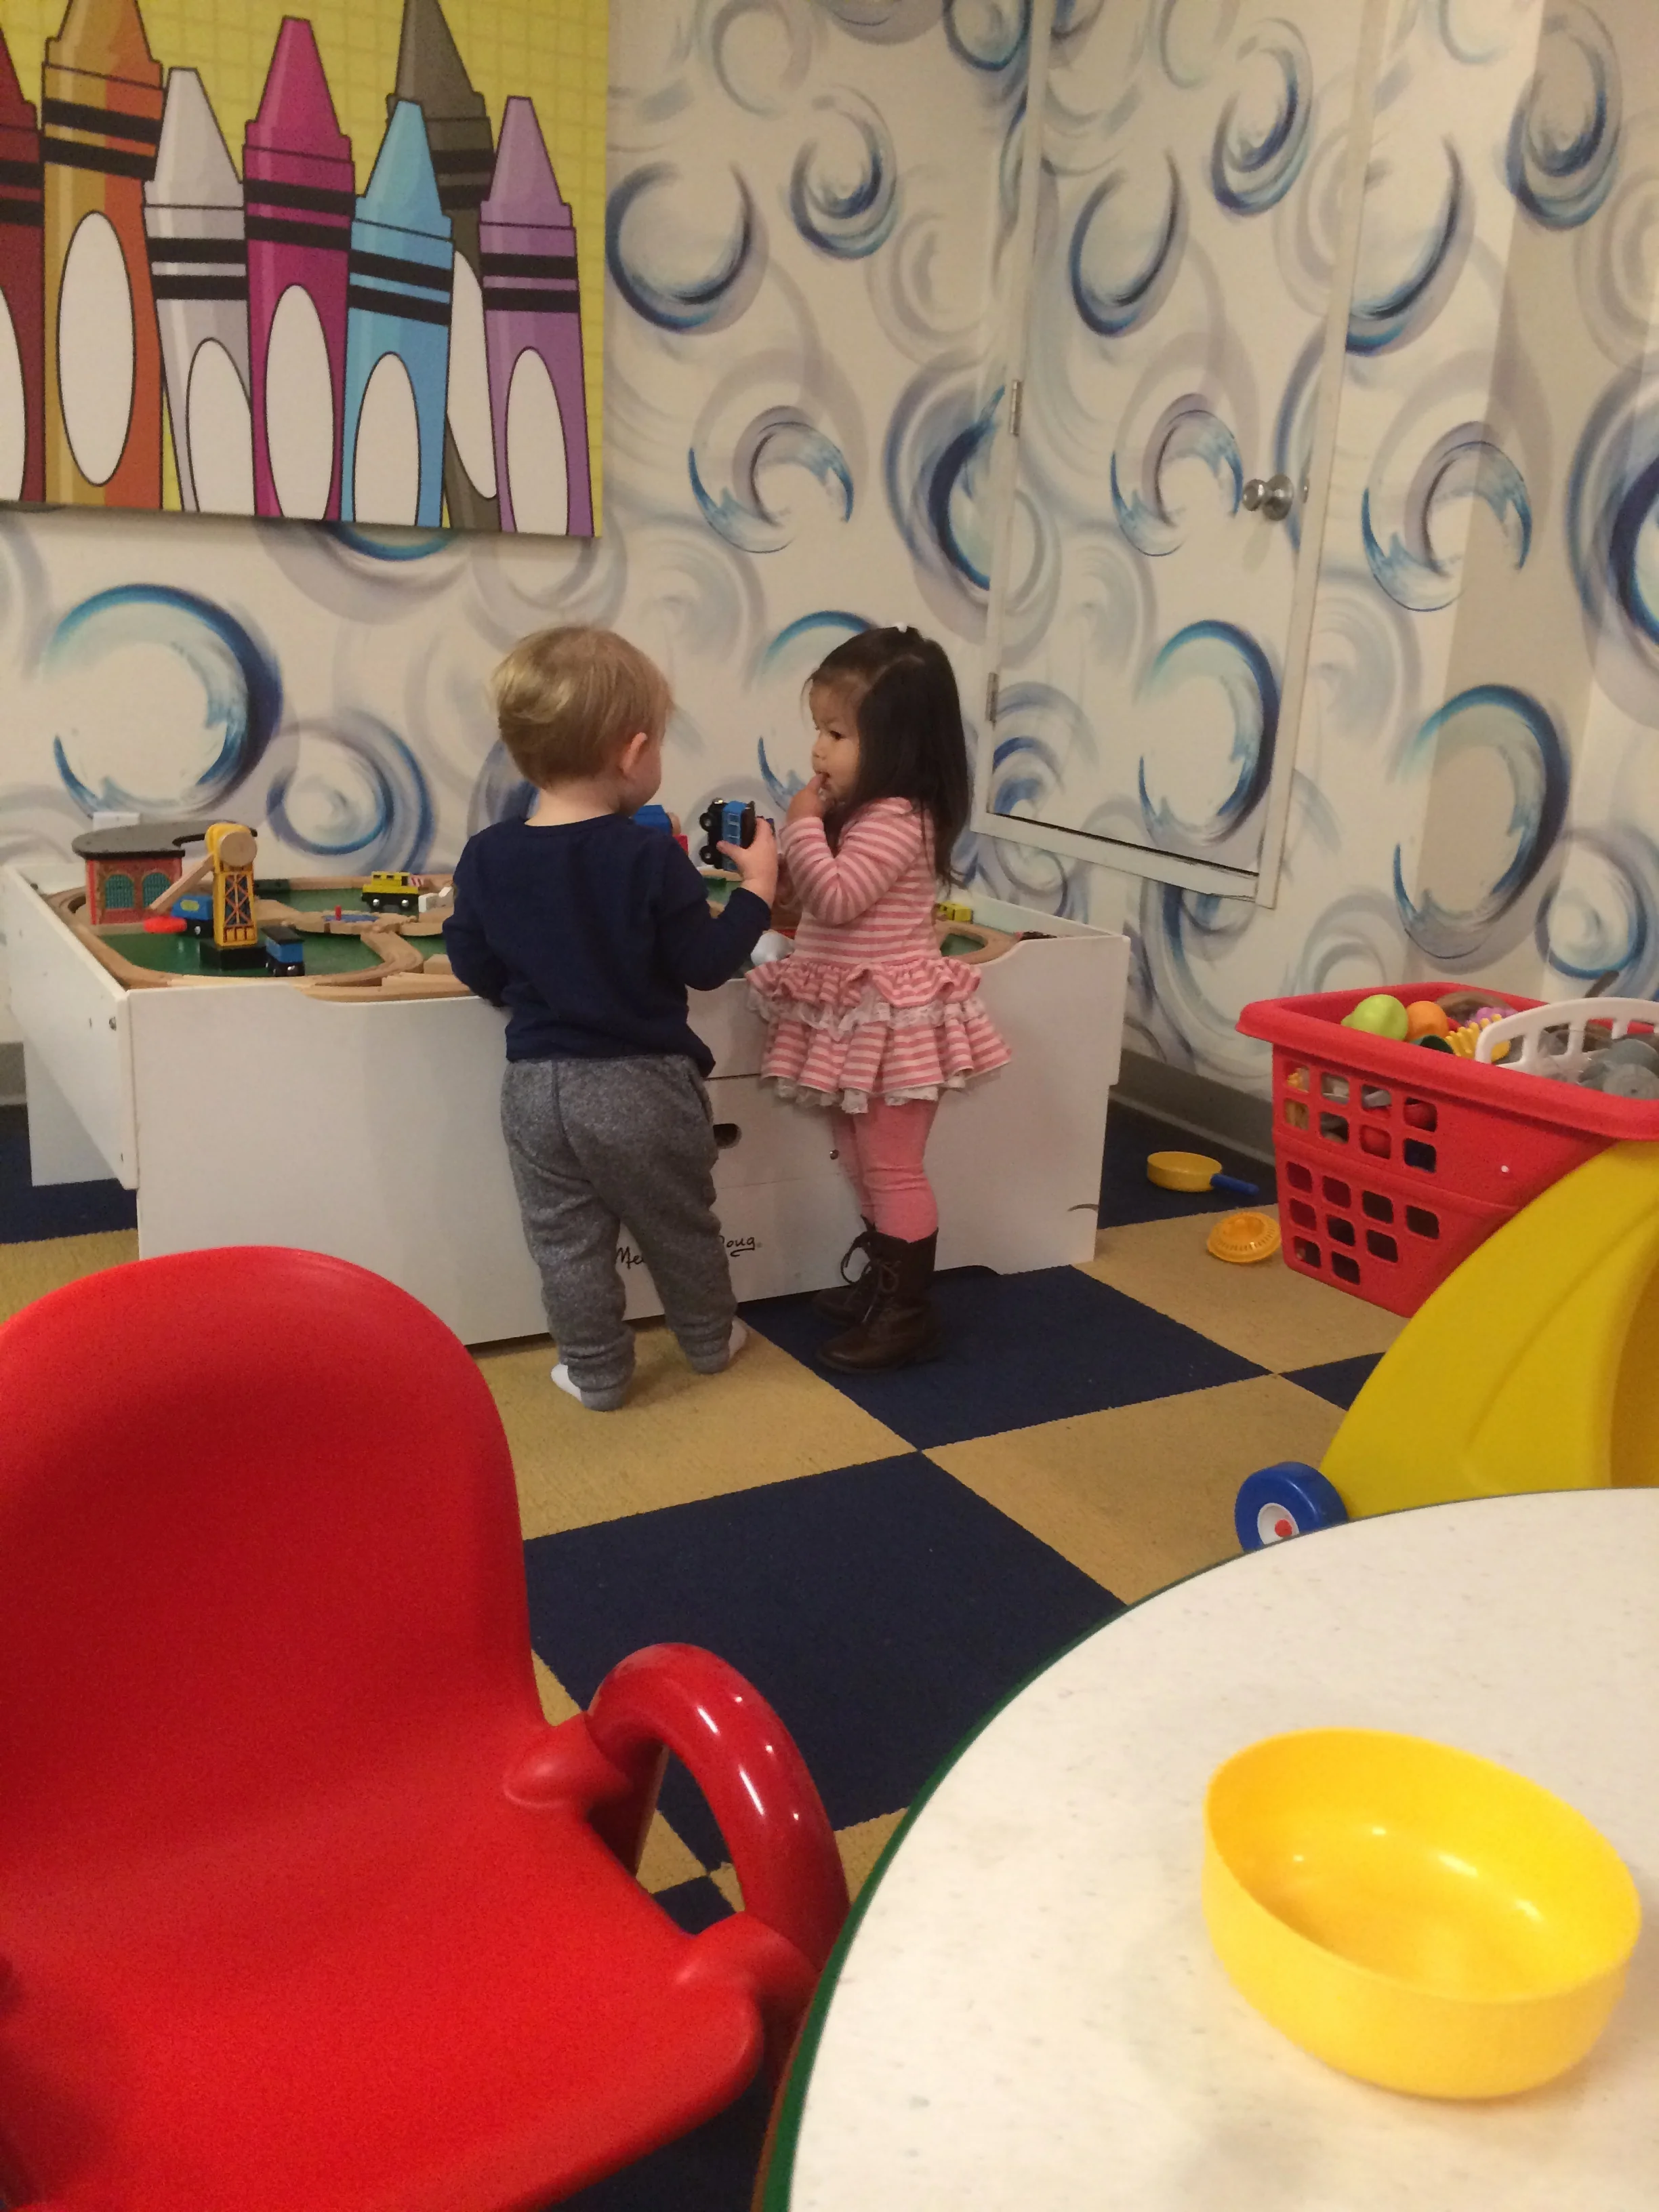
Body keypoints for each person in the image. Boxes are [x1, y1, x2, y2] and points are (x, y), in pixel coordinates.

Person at [445, 626, 777, 1410]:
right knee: (679, 1227)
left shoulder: (487, 855)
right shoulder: (648, 857)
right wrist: (758, 889)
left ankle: (594, 1372)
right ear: (633, 753)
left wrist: (527, 985)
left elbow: (474, 962)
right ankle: (709, 1342)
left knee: (565, 1242)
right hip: (640, 1086)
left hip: (536, 1089)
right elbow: (705, 962)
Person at [749, 626, 1009, 1371]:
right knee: (861, 1160)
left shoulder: (899, 818)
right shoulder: (862, 815)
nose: (818, 751)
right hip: (853, 1018)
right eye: (818, 730)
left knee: (892, 1167)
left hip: (892, 1023)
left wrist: (800, 826)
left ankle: (908, 1312)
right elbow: (821, 901)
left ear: (899, 745)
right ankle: (886, 1278)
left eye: (837, 734)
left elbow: (836, 898)